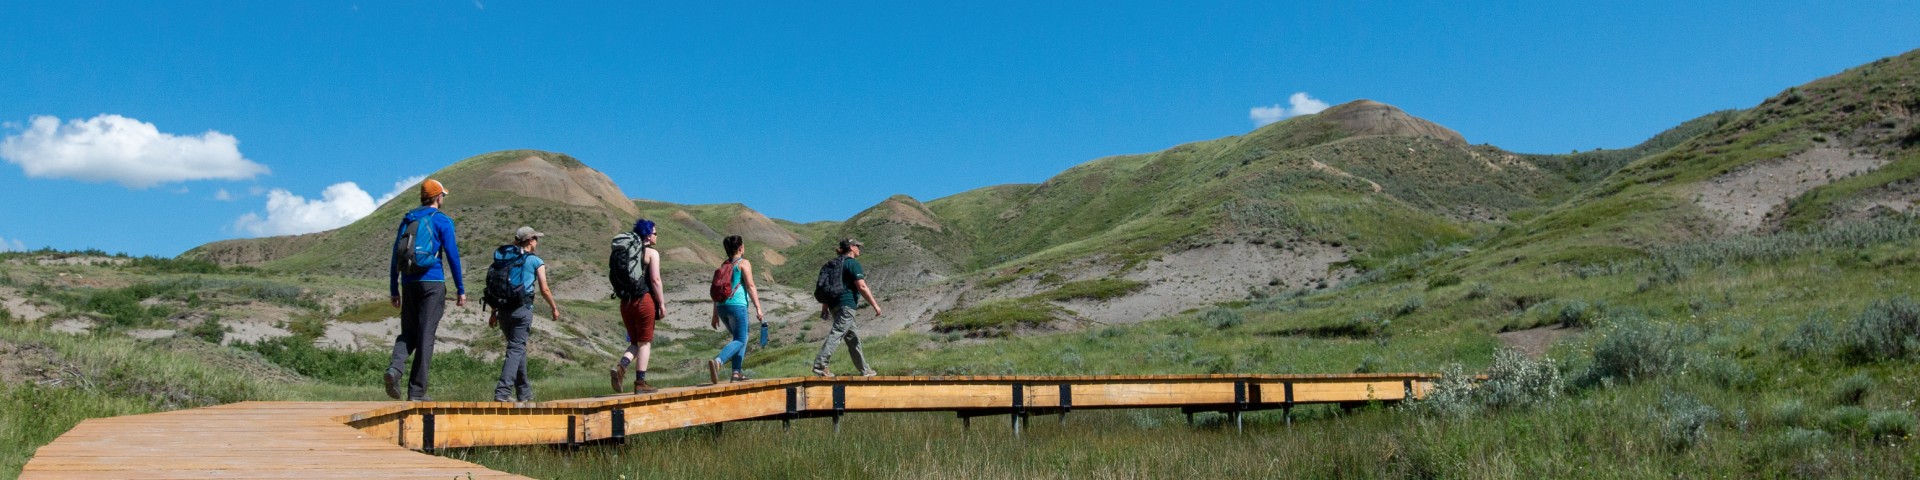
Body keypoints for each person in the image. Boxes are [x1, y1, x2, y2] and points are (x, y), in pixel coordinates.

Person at [386, 179, 466, 401]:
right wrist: (460, 289)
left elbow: (396, 256)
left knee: (408, 333)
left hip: (408, 283)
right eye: (443, 196)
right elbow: (453, 256)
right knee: (426, 336)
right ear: (438, 197)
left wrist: (394, 289)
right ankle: (417, 392)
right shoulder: (442, 220)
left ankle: (395, 368)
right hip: (432, 284)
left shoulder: (408, 219)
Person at [490, 226, 558, 402]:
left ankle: (524, 394)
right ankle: (502, 393)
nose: (537, 242)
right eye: (536, 238)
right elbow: (544, 288)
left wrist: (493, 312)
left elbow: (499, 286)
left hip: (503, 311)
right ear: (529, 240)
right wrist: (554, 308)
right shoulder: (536, 261)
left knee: (517, 349)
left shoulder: (506, 259)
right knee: (516, 349)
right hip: (522, 310)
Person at [609, 219, 665, 394]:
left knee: (635, 341)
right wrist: (662, 303)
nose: (657, 236)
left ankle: (621, 368)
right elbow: (655, 280)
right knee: (645, 343)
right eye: (655, 233)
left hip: (625, 302)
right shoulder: (651, 253)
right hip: (643, 301)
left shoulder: (627, 252)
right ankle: (640, 383)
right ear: (648, 235)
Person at [812, 238, 881, 377]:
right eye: (857, 246)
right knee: (837, 333)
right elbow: (861, 286)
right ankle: (820, 365)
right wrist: (875, 305)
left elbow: (828, 287)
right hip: (847, 305)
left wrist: (824, 308)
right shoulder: (852, 264)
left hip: (834, 305)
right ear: (851, 247)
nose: (859, 249)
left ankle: (865, 369)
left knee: (853, 338)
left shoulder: (834, 265)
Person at [708, 235, 765, 384]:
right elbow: (751, 286)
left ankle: (736, 373)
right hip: (737, 306)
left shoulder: (724, 265)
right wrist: (758, 308)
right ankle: (718, 361)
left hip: (722, 308)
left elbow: (717, 291)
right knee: (741, 338)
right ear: (740, 248)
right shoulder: (743, 263)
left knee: (740, 338)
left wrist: (715, 315)